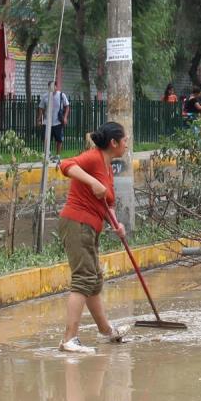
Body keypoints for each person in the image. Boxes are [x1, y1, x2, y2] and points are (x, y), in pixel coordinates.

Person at [57, 122, 131, 354]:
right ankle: (69, 339)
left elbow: (106, 203)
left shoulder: (107, 166)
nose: (127, 144)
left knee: (94, 281)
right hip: (77, 223)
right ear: (114, 143)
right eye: (125, 140)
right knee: (83, 279)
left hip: (90, 226)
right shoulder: (93, 157)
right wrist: (93, 182)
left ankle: (106, 331)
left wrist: (116, 224)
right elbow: (66, 165)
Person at [37, 87, 71, 159]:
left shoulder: (61, 95)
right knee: (45, 138)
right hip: (47, 122)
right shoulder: (45, 96)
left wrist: (65, 117)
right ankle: (48, 153)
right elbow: (41, 108)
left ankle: (58, 155)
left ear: (56, 86)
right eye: (49, 86)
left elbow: (67, 106)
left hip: (58, 121)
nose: (51, 88)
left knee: (59, 139)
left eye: (52, 86)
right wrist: (40, 119)